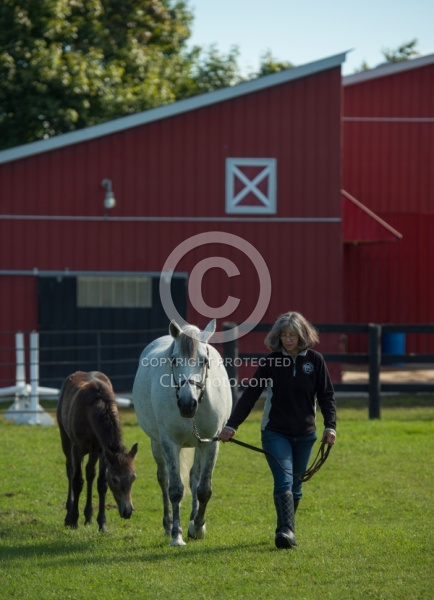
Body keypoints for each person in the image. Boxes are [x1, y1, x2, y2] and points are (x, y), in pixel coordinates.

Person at [219, 311, 337, 549]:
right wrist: (232, 425)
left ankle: (287, 529)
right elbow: (250, 395)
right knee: (283, 481)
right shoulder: (271, 362)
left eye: (292, 335)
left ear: (302, 335)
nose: (288, 340)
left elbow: (326, 396)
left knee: (296, 485)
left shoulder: (315, 361)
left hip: (306, 434)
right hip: (275, 433)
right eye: (284, 335)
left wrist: (330, 426)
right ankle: (285, 531)